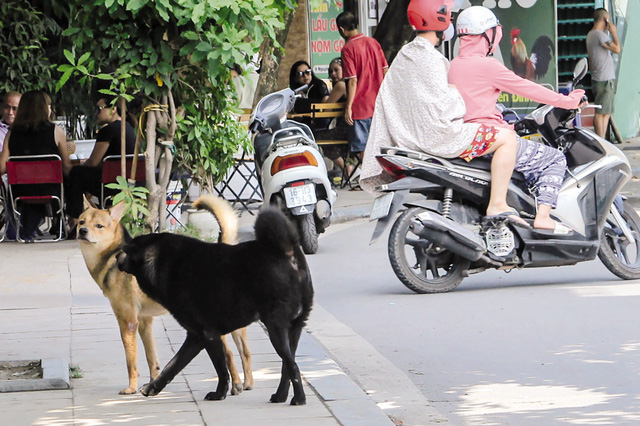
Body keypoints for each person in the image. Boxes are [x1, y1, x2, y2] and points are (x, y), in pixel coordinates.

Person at [360, 0, 523, 224]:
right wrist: (454, 93)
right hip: (441, 137)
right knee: (507, 138)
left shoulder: (404, 54)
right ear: (442, 20)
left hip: (405, 139)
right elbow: (444, 107)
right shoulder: (433, 59)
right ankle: (497, 203)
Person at [449, 5, 586, 233]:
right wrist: (569, 101)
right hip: (489, 139)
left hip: (467, 137)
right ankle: (543, 216)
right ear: (487, 35)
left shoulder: (453, 65)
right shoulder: (488, 66)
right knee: (554, 159)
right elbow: (528, 89)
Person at [0, 90, 71, 241]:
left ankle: (21, 229)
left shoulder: (11, 133)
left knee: (23, 192)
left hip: (19, 191)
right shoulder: (56, 131)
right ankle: (63, 223)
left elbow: (1, 168)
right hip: (50, 189)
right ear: (44, 108)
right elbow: (66, 166)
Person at [65, 96, 137, 236]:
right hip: (131, 183)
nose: (96, 113)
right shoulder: (129, 128)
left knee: (76, 173)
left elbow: (93, 162)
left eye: (99, 109)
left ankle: (75, 219)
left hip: (110, 183)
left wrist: (82, 164)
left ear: (114, 109)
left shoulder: (108, 130)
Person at [336, 11, 388, 164]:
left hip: (361, 106)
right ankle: (380, 174)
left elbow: (352, 80)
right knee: (378, 145)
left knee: (361, 147)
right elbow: (386, 70)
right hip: (377, 104)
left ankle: (370, 177)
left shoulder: (348, 49)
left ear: (341, 29)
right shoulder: (373, 43)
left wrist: (349, 107)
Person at [586, 8, 620, 139]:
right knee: (601, 112)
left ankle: (602, 139)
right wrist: (614, 33)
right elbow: (617, 48)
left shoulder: (591, 34)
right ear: (605, 20)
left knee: (606, 112)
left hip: (599, 78)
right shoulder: (600, 35)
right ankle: (601, 141)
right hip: (604, 79)